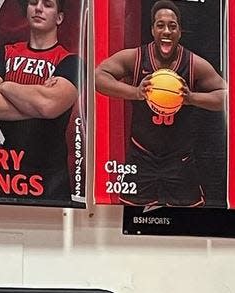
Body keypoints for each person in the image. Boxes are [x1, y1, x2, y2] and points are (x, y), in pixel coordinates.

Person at [95, 1, 225, 207]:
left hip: (179, 159)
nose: (166, 31)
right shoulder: (137, 58)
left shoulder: (193, 64)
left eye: (172, 26)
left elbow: (227, 96)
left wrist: (191, 98)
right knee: (131, 222)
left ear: (180, 32)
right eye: (160, 25)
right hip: (142, 156)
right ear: (152, 30)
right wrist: (135, 93)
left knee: (186, 228)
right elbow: (98, 77)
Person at [0, 0, 79, 201]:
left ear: (59, 18)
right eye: (33, 3)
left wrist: (6, 86)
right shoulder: (6, 53)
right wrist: (36, 102)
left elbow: (49, 106)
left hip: (50, 178)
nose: (38, 8)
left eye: (47, 5)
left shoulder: (70, 61)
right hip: (8, 173)